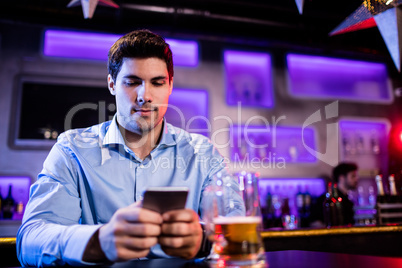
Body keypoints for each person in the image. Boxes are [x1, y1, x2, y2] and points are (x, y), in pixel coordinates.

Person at [17, 29, 238, 266]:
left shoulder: (203, 153)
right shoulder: (71, 150)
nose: (145, 95)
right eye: (132, 82)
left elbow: (237, 227)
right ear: (112, 84)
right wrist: (97, 241)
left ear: (170, 85)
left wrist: (204, 239)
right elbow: (30, 239)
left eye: (157, 82)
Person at [310, 162, 358, 227]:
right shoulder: (327, 200)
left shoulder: (347, 200)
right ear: (341, 178)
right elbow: (313, 221)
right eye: (353, 176)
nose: (356, 179)